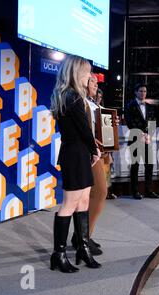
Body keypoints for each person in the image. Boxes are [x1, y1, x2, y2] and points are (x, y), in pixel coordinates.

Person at [49, 55, 102, 273]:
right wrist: (95, 149)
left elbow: (83, 130)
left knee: (83, 202)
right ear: (75, 72)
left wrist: (90, 149)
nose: (90, 76)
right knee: (69, 204)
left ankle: (82, 248)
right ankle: (58, 255)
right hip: (75, 154)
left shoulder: (69, 95)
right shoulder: (71, 96)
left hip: (78, 153)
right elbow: (83, 129)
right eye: (87, 71)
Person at [69, 74, 112, 256]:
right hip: (88, 153)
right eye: (92, 81)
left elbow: (104, 129)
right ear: (84, 82)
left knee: (91, 195)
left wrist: (112, 127)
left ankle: (83, 235)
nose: (96, 84)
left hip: (99, 153)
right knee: (99, 193)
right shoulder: (80, 102)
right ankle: (83, 237)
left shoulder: (95, 104)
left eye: (96, 81)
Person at [124, 84, 159, 200]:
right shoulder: (130, 105)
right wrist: (141, 134)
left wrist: (148, 134)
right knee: (135, 166)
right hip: (135, 139)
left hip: (147, 140)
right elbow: (130, 122)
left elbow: (153, 121)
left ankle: (148, 190)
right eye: (141, 91)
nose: (143, 93)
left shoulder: (149, 106)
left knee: (149, 165)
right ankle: (135, 192)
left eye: (145, 91)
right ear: (136, 92)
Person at [96, 88, 118, 200]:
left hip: (105, 145)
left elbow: (109, 129)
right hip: (94, 145)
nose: (98, 99)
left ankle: (108, 192)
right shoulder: (88, 107)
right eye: (96, 97)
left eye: (100, 97)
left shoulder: (104, 110)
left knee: (107, 169)